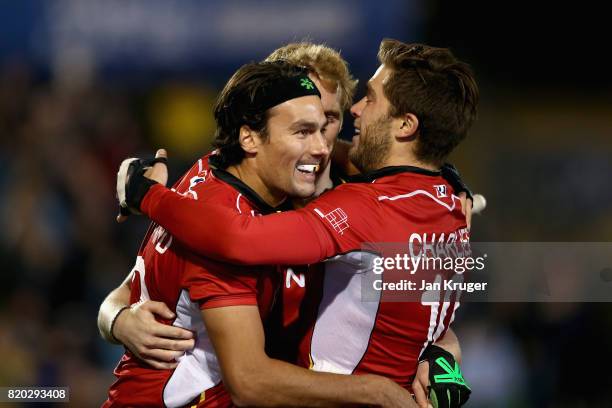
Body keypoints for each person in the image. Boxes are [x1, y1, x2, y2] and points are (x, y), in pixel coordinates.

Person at [120, 38, 479, 408]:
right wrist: (116, 318)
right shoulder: (441, 203)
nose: (323, 143)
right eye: (303, 128)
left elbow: (419, 313)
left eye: (330, 121)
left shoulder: (361, 204)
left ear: (405, 125)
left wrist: (442, 354)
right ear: (252, 134)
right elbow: (145, 285)